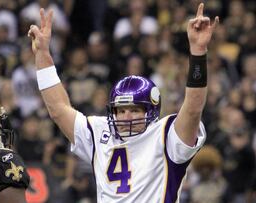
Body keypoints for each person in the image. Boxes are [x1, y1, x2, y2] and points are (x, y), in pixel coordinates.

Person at [28, 3, 219, 202]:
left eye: (134, 109)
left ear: (151, 111)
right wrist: (42, 56)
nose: (126, 116)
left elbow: (193, 108)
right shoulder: (101, 131)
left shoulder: (166, 135)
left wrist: (198, 52)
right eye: (120, 110)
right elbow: (58, 110)